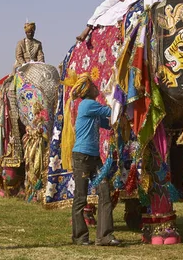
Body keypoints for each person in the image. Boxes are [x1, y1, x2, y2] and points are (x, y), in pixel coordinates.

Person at [70, 73, 120, 246]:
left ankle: (105, 236)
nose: (96, 86)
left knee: (105, 192)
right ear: (87, 90)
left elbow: (109, 123)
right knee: (81, 197)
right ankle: (80, 237)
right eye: (92, 85)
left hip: (94, 157)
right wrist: (121, 101)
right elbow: (111, 111)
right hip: (82, 157)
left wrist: (117, 125)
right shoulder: (88, 105)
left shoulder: (92, 110)